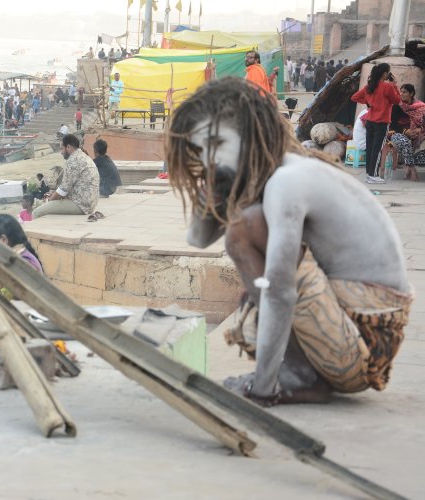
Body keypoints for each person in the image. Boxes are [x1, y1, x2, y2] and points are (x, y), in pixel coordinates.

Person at [165, 76, 411, 407]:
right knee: (249, 239)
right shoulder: (275, 170)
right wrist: (214, 187)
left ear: (250, 135)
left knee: (245, 229)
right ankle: (299, 373)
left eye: (218, 144)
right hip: (356, 334)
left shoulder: (288, 180)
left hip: (364, 342)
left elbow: (280, 291)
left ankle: (296, 376)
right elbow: (198, 238)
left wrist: (263, 388)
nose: (209, 158)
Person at [351, 63, 400, 183]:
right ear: (384, 73)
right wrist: (395, 85)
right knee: (377, 149)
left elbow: (354, 97)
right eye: (388, 72)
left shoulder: (369, 87)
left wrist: (368, 102)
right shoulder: (387, 87)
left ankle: (369, 174)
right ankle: (373, 175)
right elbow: (397, 100)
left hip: (370, 121)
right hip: (382, 122)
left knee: (370, 148)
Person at [33, 134, 99, 219]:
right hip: (89, 203)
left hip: (81, 205)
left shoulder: (73, 160)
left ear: (68, 147)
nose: (61, 152)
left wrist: (49, 200)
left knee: (37, 212)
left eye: (61, 148)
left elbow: (63, 190)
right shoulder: (83, 156)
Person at [388, 83, 425, 180]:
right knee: (405, 142)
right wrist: (405, 131)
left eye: (404, 92)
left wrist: (419, 129)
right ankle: (412, 168)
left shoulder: (420, 107)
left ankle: (409, 164)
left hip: (416, 135)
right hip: (396, 133)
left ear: (411, 93)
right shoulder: (397, 106)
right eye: (401, 91)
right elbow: (392, 124)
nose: (402, 94)